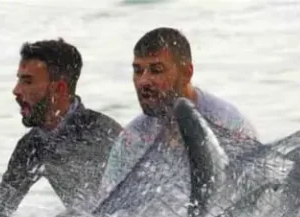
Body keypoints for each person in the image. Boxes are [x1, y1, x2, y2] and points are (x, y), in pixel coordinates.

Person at [0, 39, 122, 217]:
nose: (16, 90)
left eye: (27, 81)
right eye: (19, 79)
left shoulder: (101, 132)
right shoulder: (32, 146)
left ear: (59, 89)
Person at [98, 27, 259, 196]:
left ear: (187, 73)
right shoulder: (133, 138)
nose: (143, 81)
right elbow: (107, 198)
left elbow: (259, 194)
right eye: (138, 71)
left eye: (156, 70)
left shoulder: (227, 123)